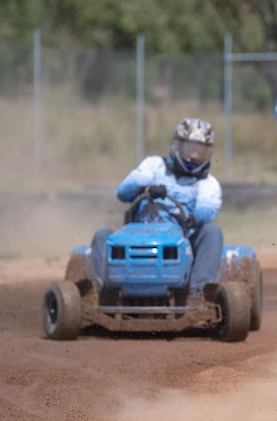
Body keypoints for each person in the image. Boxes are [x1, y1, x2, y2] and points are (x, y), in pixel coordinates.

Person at [92, 117, 224, 299]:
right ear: (178, 146)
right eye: (190, 147)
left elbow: (207, 210)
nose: (194, 155)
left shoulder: (208, 183)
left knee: (212, 232)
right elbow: (122, 193)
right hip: (139, 233)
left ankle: (198, 295)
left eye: (199, 150)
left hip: (181, 240)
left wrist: (191, 219)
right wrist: (143, 187)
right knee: (102, 236)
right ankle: (104, 294)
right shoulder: (154, 166)